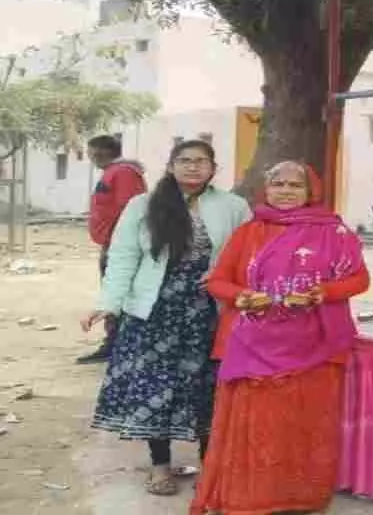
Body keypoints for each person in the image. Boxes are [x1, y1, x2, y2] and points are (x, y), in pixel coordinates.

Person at [191, 160, 370, 515]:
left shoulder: (335, 233)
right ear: (266, 189)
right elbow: (218, 281)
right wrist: (242, 297)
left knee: (305, 424)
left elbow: (359, 280)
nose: (285, 191)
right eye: (278, 184)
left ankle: (300, 498)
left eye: (294, 185)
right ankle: (250, 499)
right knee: (259, 424)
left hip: (316, 346)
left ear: (310, 191)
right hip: (254, 346)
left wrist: (323, 292)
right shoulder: (249, 232)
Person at [81, 141, 251, 497]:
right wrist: (109, 303)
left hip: (208, 312)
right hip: (154, 313)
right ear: (171, 166)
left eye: (201, 161)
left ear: (213, 168)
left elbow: (250, 255)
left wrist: (225, 275)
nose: (193, 167)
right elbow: (124, 256)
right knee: (155, 390)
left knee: (206, 390)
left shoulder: (234, 206)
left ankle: (210, 469)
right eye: (184, 160)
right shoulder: (142, 205)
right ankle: (160, 467)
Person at [77, 135, 148, 364]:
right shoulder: (113, 172)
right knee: (113, 292)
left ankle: (117, 345)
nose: (91, 157)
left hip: (119, 246)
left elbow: (130, 211)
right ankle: (115, 343)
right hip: (111, 243)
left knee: (119, 294)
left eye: (92, 153)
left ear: (101, 152)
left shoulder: (124, 173)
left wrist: (120, 244)